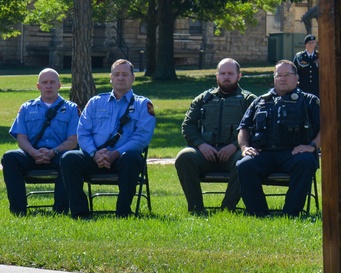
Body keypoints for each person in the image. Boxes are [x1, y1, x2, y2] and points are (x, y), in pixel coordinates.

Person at [61, 59, 156, 218]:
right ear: (110, 78)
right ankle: (80, 212)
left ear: (133, 78)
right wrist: (94, 153)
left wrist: (116, 153)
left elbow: (141, 138)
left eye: (125, 74)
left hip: (123, 161)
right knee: (69, 158)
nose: (120, 78)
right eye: (117, 74)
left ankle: (123, 212)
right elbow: (83, 133)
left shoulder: (143, 105)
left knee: (132, 157)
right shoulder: (95, 102)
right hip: (94, 158)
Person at [236, 60, 321, 217]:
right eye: (279, 75)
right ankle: (258, 213)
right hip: (264, 154)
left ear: (297, 78)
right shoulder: (260, 101)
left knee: (307, 161)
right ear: (274, 78)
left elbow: (326, 129)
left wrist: (312, 146)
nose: (282, 78)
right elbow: (243, 128)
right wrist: (244, 148)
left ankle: (291, 213)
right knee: (244, 165)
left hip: (294, 154)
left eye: (287, 75)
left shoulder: (310, 101)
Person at [174, 58, 256, 214]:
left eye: (230, 73)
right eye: (222, 73)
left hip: (233, 154)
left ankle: (227, 208)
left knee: (246, 161)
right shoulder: (203, 99)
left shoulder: (249, 100)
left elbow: (256, 128)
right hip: (205, 154)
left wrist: (234, 146)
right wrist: (200, 145)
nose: (226, 77)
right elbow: (188, 125)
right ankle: (196, 209)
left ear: (239, 76)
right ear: (216, 76)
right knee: (184, 156)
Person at [2, 68, 79, 215]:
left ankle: (60, 210)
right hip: (32, 154)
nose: (48, 86)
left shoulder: (71, 109)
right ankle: (18, 211)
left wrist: (53, 152)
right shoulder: (26, 108)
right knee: (10, 157)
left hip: (59, 154)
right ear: (38, 86)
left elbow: (73, 141)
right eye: (44, 83)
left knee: (70, 159)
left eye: (52, 82)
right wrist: (34, 153)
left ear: (59, 85)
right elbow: (21, 138)